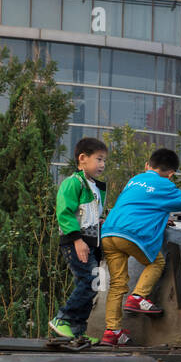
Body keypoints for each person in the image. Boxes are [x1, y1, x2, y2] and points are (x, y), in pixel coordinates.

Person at [99, 147, 181, 347]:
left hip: (110, 232)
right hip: (132, 234)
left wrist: (163, 217)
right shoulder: (165, 185)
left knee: (117, 284)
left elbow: (143, 205)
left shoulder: (134, 180)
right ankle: (138, 297)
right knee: (156, 262)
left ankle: (112, 331)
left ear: (147, 165)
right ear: (171, 173)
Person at [50, 136, 109, 342]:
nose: (102, 165)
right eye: (99, 159)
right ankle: (63, 319)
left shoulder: (95, 187)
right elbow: (64, 213)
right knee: (90, 280)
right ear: (83, 158)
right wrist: (77, 240)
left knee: (94, 283)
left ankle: (77, 331)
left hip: (91, 244)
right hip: (76, 242)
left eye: (104, 161)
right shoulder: (73, 183)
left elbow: (91, 216)